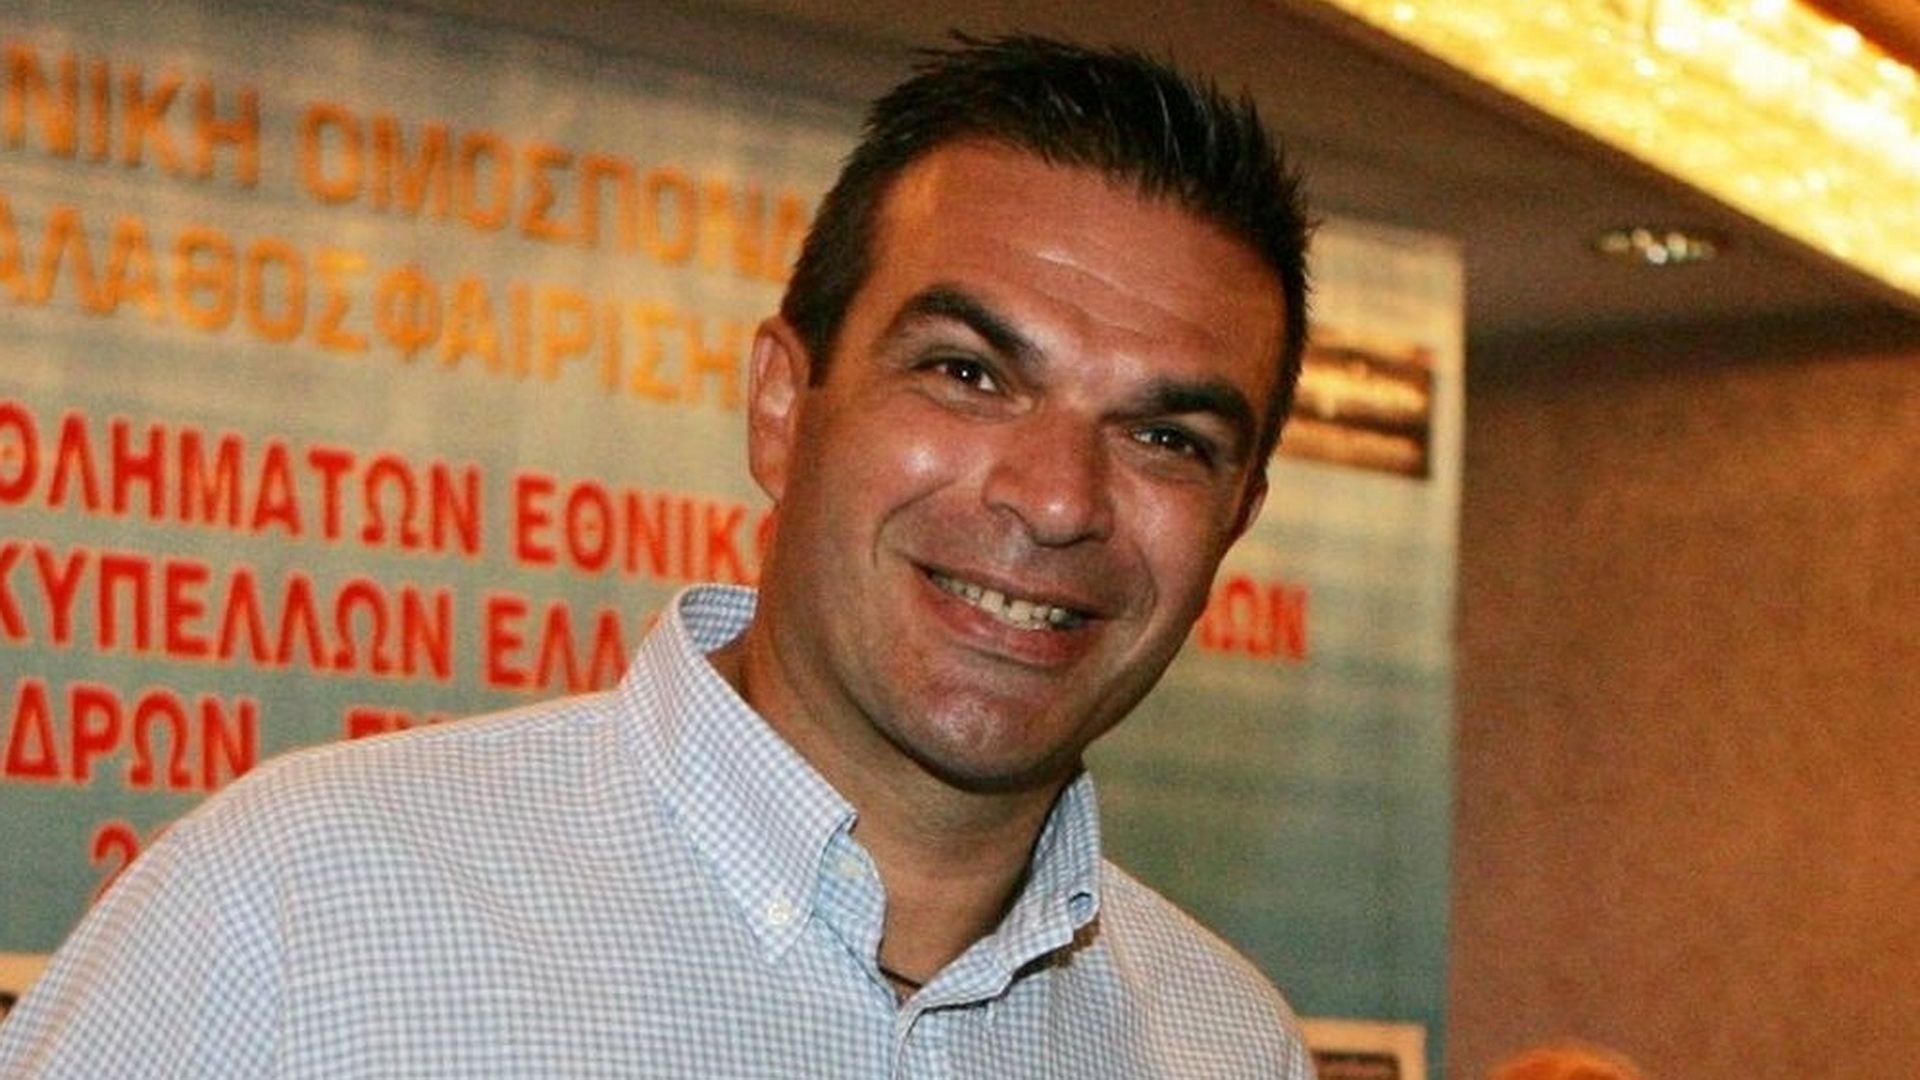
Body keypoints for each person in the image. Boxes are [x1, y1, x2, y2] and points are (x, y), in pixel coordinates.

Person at [0, 33, 1314, 1077]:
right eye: (967, 374)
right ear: (782, 406)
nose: (1058, 498)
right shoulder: (298, 911)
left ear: (1236, 518)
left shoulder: (1224, 1044)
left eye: (1167, 438)